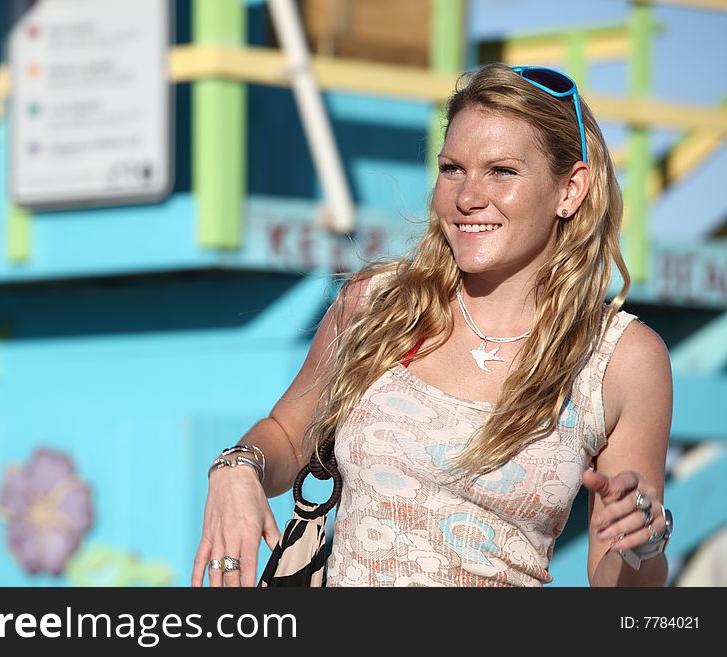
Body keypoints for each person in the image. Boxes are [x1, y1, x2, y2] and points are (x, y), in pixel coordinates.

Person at [192, 62, 673, 588]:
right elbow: (287, 435)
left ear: (570, 190)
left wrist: (642, 545)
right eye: (452, 168)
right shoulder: (378, 306)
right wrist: (239, 467)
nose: (467, 197)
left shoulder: (620, 358)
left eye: (502, 171)